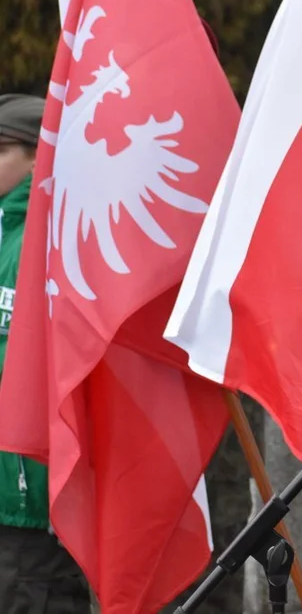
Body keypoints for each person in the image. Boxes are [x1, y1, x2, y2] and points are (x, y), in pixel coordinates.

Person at [0, 94, 91, 612]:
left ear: (40, 155)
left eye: (0, 148)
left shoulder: (58, 239)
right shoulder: (7, 234)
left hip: (34, 511)